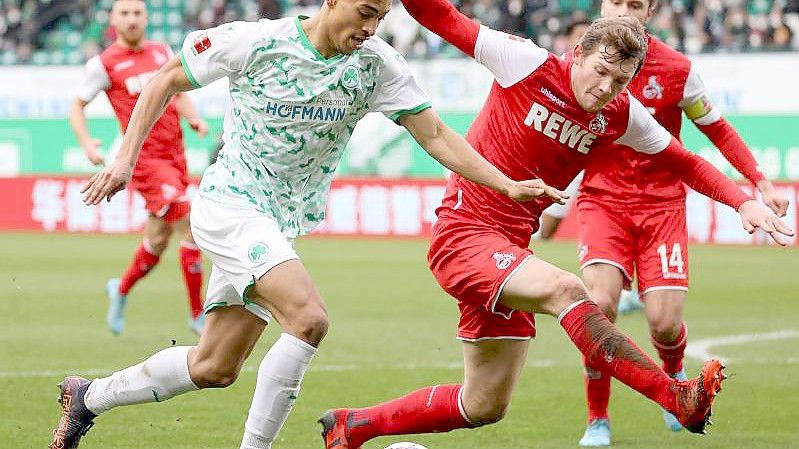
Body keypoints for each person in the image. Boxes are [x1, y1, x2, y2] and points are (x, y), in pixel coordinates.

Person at [48, 1, 563, 448]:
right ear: (333, 0)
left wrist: (506, 184)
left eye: (380, 18)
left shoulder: (377, 66)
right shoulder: (256, 40)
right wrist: (124, 161)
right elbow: (167, 79)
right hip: (230, 204)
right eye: (364, 13)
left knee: (215, 366)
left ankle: (88, 397)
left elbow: (433, 135)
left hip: (277, 223)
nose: (370, 27)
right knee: (308, 318)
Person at [318, 2, 794, 448]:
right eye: (600, 72)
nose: (605, 88)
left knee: (484, 404)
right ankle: (675, 398)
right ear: (577, 53)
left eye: (620, 80)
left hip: (512, 253)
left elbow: (685, 161)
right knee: (571, 291)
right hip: (464, 233)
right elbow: (441, 15)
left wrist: (742, 202)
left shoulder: (620, 114)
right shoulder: (522, 61)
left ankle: (353, 427)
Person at [572, 1, 790, 445]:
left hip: (662, 207)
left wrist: (759, 182)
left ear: (649, 13)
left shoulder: (677, 69)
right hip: (603, 201)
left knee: (665, 323)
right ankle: (598, 418)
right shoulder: (581, 60)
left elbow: (718, 129)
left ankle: (675, 382)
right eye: (615, 1)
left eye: (635, 4)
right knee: (600, 305)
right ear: (601, 5)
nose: (623, 10)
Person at [68, 0, 210, 336]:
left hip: (176, 157)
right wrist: (88, 144)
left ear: (146, 18)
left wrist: (193, 118)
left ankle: (120, 289)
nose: (131, 19)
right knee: (188, 223)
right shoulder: (103, 64)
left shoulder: (162, 52)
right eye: (125, 14)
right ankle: (197, 314)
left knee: (158, 240)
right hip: (144, 161)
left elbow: (178, 89)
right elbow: (76, 106)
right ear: (113, 20)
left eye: (137, 13)